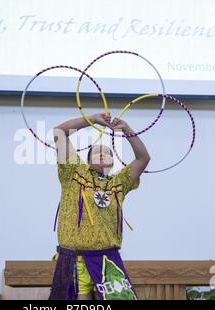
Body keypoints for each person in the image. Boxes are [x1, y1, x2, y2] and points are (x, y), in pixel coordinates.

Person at [49, 112, 151, 300]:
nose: (102, 154)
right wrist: (91, 120)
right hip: (74, 260)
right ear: (88, 161)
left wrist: (127, 129)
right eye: (97, 152)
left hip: (106, 259)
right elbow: (59, 132)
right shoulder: (73, 172)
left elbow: (143, 158)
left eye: (107, 153)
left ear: (113, 161)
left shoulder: (119, 182)